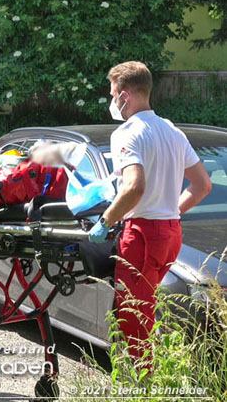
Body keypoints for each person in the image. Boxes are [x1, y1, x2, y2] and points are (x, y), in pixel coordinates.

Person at [89, 61, 211, 361]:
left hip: (142, 234)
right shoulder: (171, 130)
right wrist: (171, 210)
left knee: (134, 320)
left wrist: (105, 221)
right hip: (170, 233)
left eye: (112, 92)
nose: (112, 100)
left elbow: (134, 187)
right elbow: (203, 184)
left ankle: (144, 391)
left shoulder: (127, 134)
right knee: (147, 312)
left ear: (124, 95)